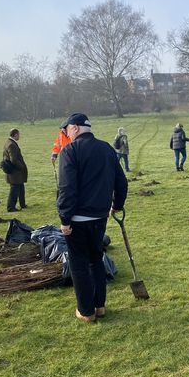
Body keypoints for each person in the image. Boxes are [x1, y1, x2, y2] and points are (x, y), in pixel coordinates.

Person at [57, 113, 128, 322]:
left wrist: (65, 219)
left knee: (79, 264)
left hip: (77, 219)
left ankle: (86, 311)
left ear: (76, 128)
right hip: (99, 217)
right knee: (96, 260)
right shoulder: (107, 148)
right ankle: (99, 306)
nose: (66, 135)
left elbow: (67, 188)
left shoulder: (70, 151)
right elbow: (121, 182)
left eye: (67, 130)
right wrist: (117, 206)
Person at [3, 128, 28, 212]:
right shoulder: (11, 145)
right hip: (15, 172)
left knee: (21, 187)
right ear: (15, 135)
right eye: (19, 134)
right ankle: (11, 207)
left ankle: (23, 204)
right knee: (14, 190)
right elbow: (13, 160)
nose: (19, 136)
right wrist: (21, 167)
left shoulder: (8, 142)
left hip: (15, 172)